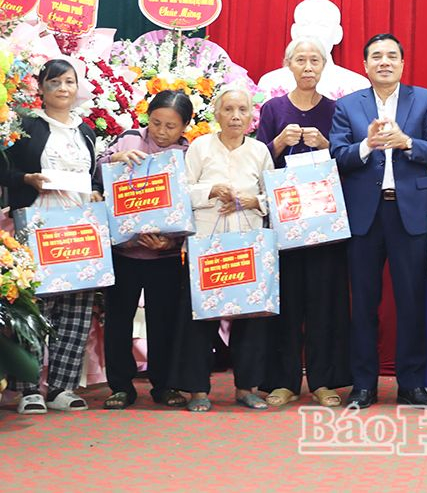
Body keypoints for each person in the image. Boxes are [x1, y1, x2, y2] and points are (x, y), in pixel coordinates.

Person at [329, 33, 427, 409]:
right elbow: (337, 156)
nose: (384, 62)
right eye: (376, 56)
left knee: (411, 301)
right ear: (365, 65)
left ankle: (411, 384)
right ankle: (363, 385)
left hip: (409, 213)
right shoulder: (348, 105)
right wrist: (368, 145)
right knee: (363, 304)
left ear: (402, 63)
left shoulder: (425, 100)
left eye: (392, 56)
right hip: (365, 215)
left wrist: (406, 142)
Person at [1, 59, 103, 414]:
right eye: (54, 81)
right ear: (41, 87)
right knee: (34, 304)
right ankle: (29, 389)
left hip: (80, 227)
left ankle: (63, 387)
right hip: (37, 223)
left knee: (76, 305)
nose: (62, 88)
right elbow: (5, 170)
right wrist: (26, 180)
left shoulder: (86, 131)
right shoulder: (27, 126)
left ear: (77, 87)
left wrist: (96, 193)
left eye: (69, 82)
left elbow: (92, 177)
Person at [257, 39, 351, 408]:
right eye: (301, 60)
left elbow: (349, 160)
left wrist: (326, 144)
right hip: (284, 220)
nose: (308, 67)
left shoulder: (337, 110)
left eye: (315, 60)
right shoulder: (273, 109)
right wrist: (279, 142)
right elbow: (256, 161)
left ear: (324, 66)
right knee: (287, 301)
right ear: (288, 65)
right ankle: (284, 381)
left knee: (325, 301)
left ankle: (324, 380)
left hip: (325, 220)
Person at [171, 87, 274, 412]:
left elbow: (274, 195)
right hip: (206, 244)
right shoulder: (200, 147)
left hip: (248, 244)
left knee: (251, 318)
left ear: (251, 117)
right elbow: (180, 191)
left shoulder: (259, 151)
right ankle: (197, 390)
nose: (235, 116)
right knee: (200, 318)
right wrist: (210, 191)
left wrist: (253, 200)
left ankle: (247, 387)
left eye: (242, 110)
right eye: (228, 109)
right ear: (216, 114)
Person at [99, 90, 194, 410]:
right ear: (147, 119)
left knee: (163, 322)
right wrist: (114, 160)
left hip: (164, 255)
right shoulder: (128, 140)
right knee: (118, 321)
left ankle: (164, 384)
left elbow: (192, 204)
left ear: (184, 127)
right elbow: (95, 173)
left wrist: (172, 241)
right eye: (156, 123)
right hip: (124, 253)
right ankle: (120, 386)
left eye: (171, 126)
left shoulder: (187, 153)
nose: (162, 132)